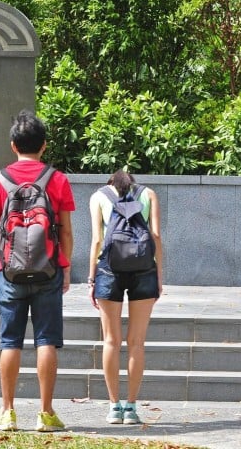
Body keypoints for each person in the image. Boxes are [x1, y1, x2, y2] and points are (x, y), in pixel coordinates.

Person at [0, 110, 74, 432]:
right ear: (44, 145)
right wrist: (64, 267)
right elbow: (65, 232)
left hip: (10, 272)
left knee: (10, 342)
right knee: (46, 340)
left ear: (12, 145)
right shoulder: (57, 179)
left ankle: (7, 413)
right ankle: (46, 414)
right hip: (48, 271)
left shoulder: (0, 180)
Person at [88, 169, 163, 425]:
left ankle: (113, 406)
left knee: (111, 341)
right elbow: (155, 236)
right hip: (144, 269)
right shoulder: (149, 194)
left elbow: (97, 239)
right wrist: (159, 275)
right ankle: (131, 407)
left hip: (109, 269)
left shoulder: (98, 196)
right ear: (133, 183)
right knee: (137, 342)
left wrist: (91, 278)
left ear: (111, 182)